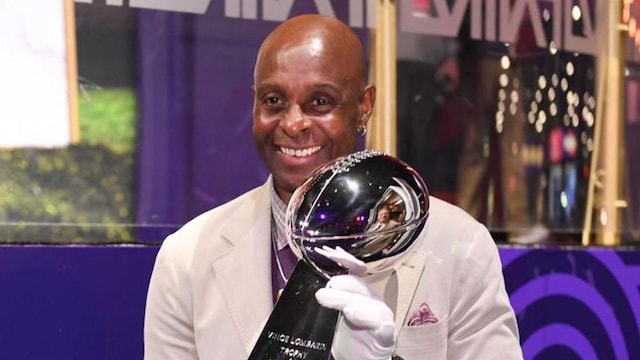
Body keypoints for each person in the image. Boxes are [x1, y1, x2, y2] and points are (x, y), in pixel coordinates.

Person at [144, 14, 523, 360]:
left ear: (363, 107)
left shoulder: (459, 245)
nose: (293, 124)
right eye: (273, 101)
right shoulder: (187, 259)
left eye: (319, 102)